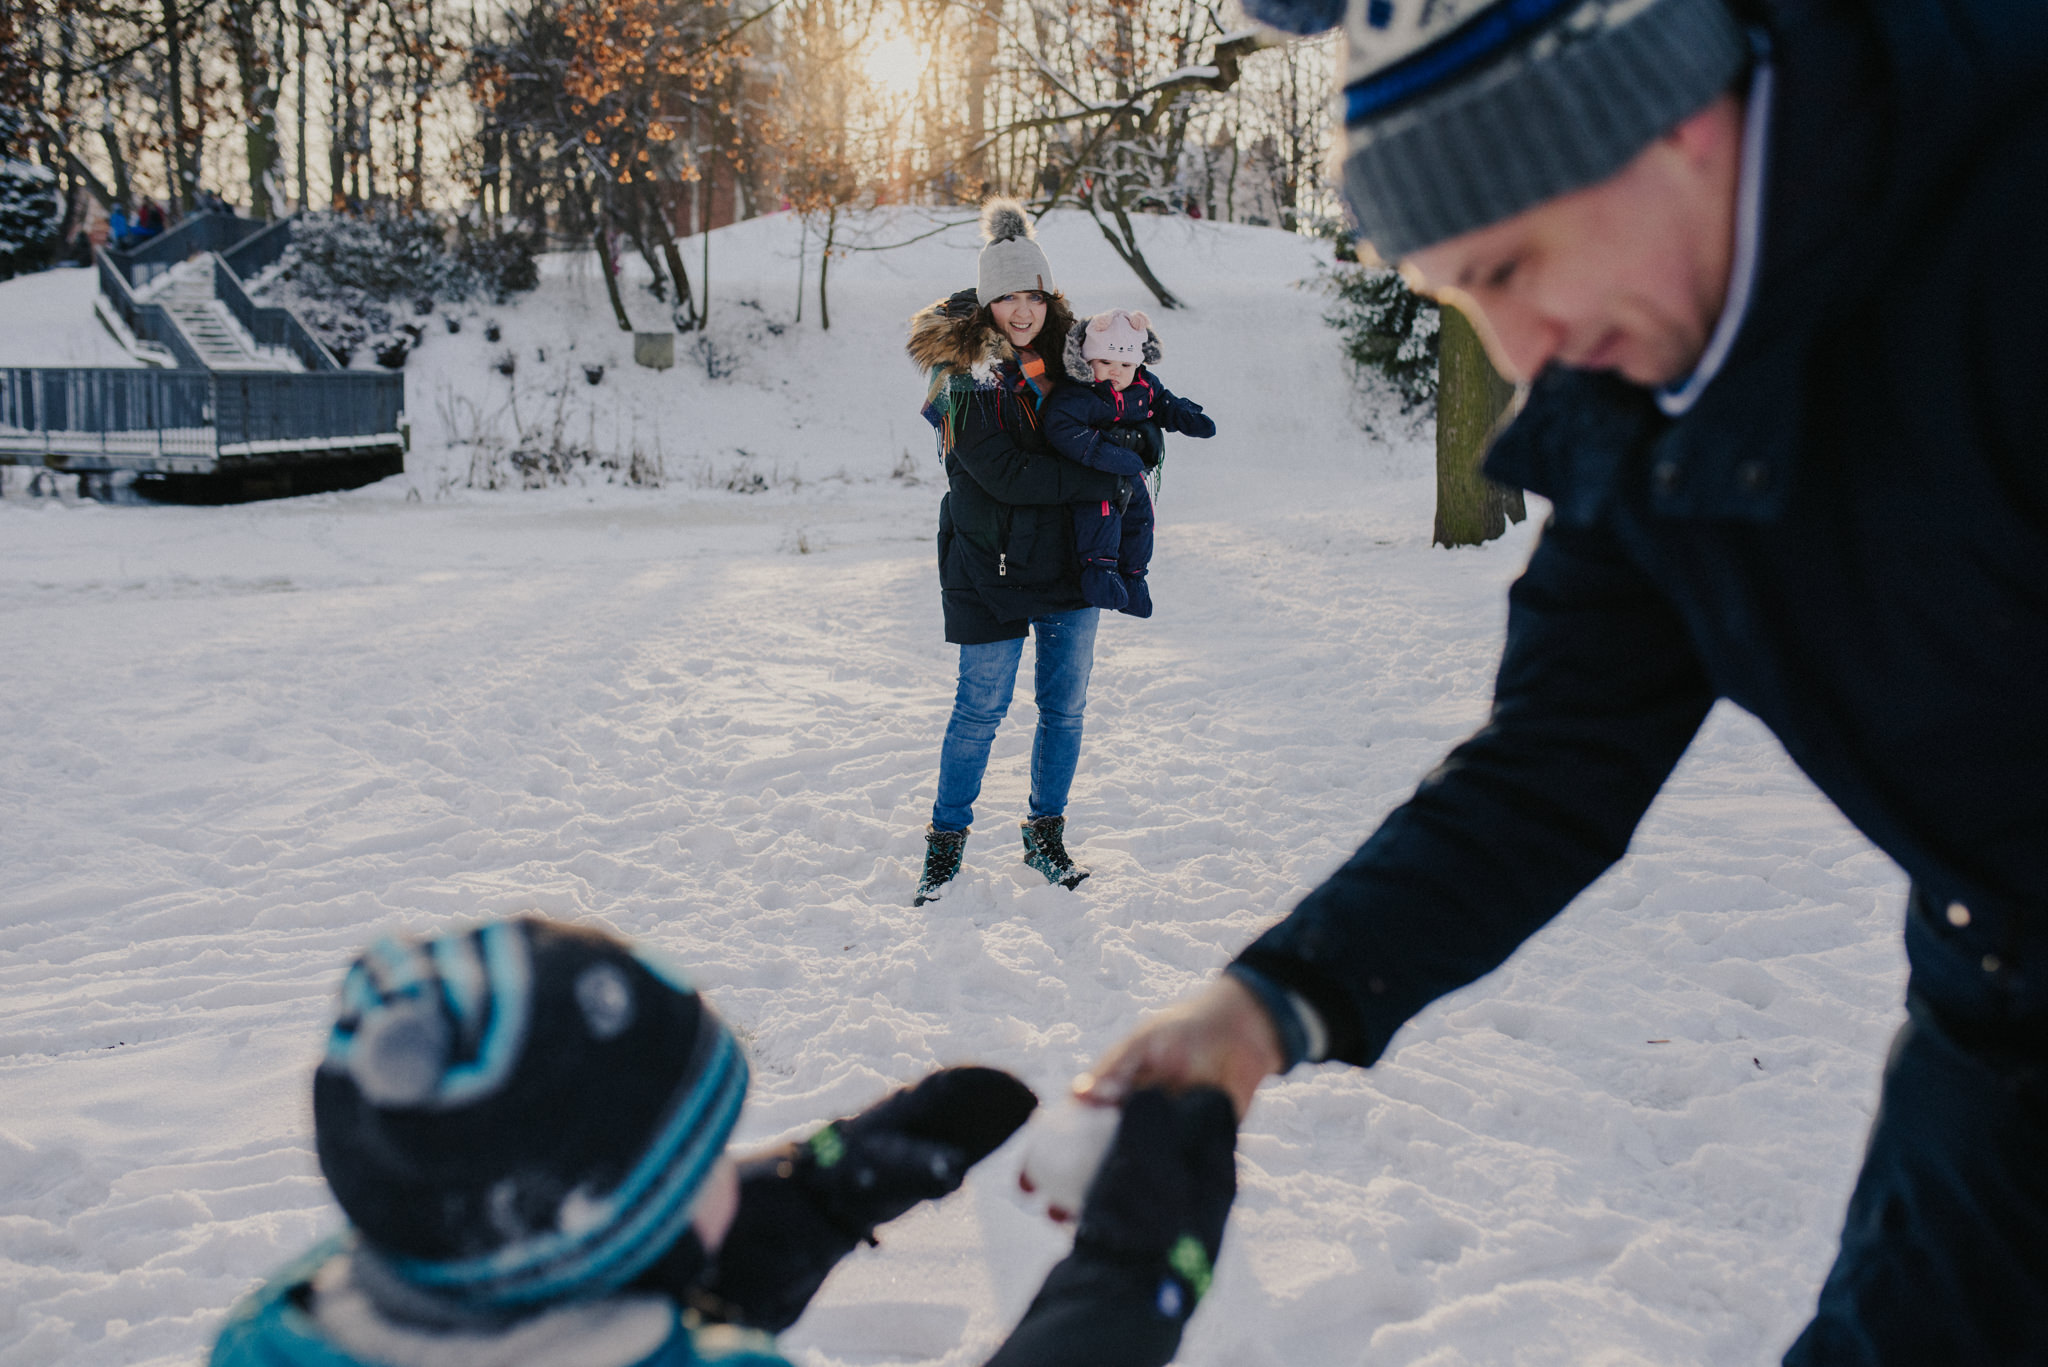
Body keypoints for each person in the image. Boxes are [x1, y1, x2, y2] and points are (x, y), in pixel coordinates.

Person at [1077, 0, 2048, 1362]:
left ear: (1676, 121)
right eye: (1464, 298)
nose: (1520, 348)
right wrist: (1267, 1001)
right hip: (1999, 998)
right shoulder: (1637, 396)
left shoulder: (2008, 211)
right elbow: (1550, 765)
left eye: (1515, 263)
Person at [208, 916, 1238, 1367]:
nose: (730, 1170)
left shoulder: (281, 1324)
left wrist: (810, 1200)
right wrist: (1121, 1287)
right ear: (604, 1221)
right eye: (704, 1159)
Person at [906, 200, 1143, 906]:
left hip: (1070, 560)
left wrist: (1141, 440)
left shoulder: (1080, 358)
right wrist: (1104, 473)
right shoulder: (961, 375)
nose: (1019, 309)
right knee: (979, 708)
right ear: (986, 299)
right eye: (1005, 295)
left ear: (1047, 295)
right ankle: (945, 844)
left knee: (1064, 707)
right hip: (987, 562)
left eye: (1031, 294)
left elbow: (1131, 418)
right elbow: (1003, 474)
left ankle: (1045, 832)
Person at [1042, 308, 1216, 618]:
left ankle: (1135, 577)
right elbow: (1062, 427)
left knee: (1142, 520)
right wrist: (1103, 453)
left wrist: (1185, 416)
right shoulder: (1079, 393)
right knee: (1101, 518)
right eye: (1105, 362)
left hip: (1130, 472)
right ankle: (1100, 574)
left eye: (1125, 364)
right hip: (1092, 474)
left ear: (1138, 363)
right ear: (1087, 361)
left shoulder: (1144, 386)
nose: (1115, 371)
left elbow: (1163, 403)